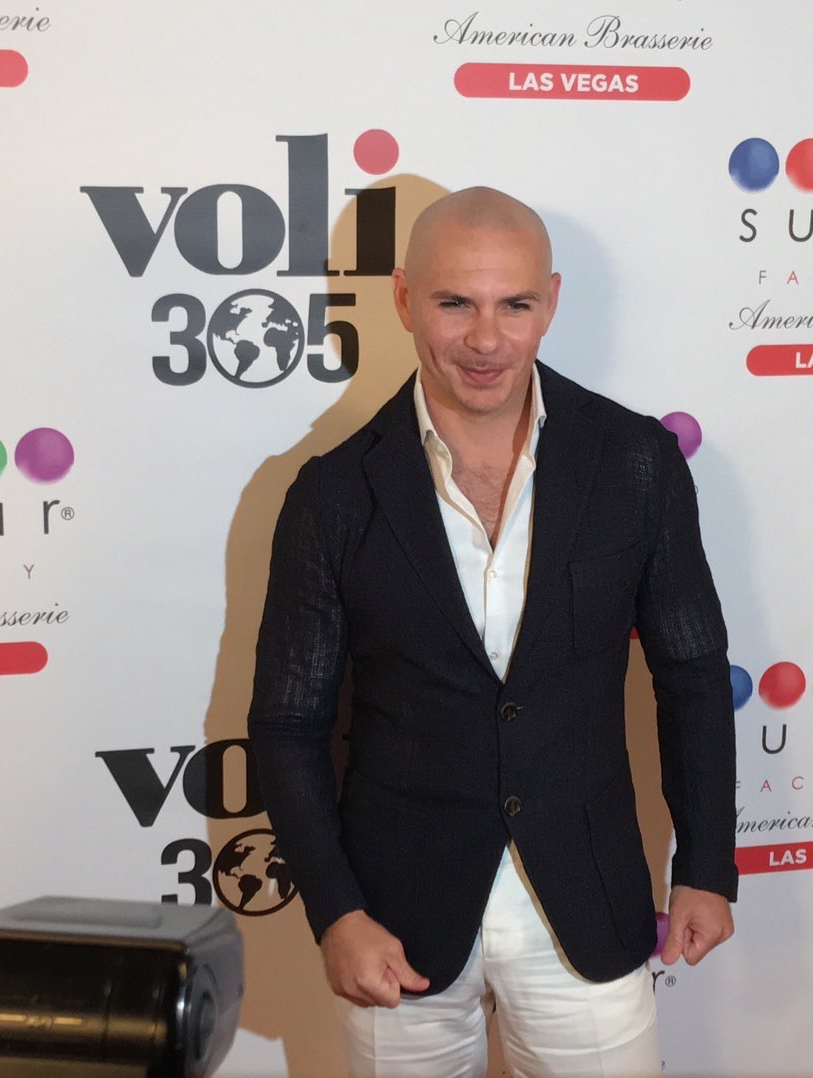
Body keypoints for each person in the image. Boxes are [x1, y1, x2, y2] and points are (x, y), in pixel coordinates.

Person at [247, 187, 736, 1077]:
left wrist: (706, 863)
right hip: (395, 918)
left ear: (551, 303)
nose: (486, 339)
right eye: (455, 303)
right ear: (404, 300)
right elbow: (287, 724)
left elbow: (694, 674)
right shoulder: (332, 494)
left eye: (514, 304)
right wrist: (336, 911)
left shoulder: (635, 462)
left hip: (585, 900)